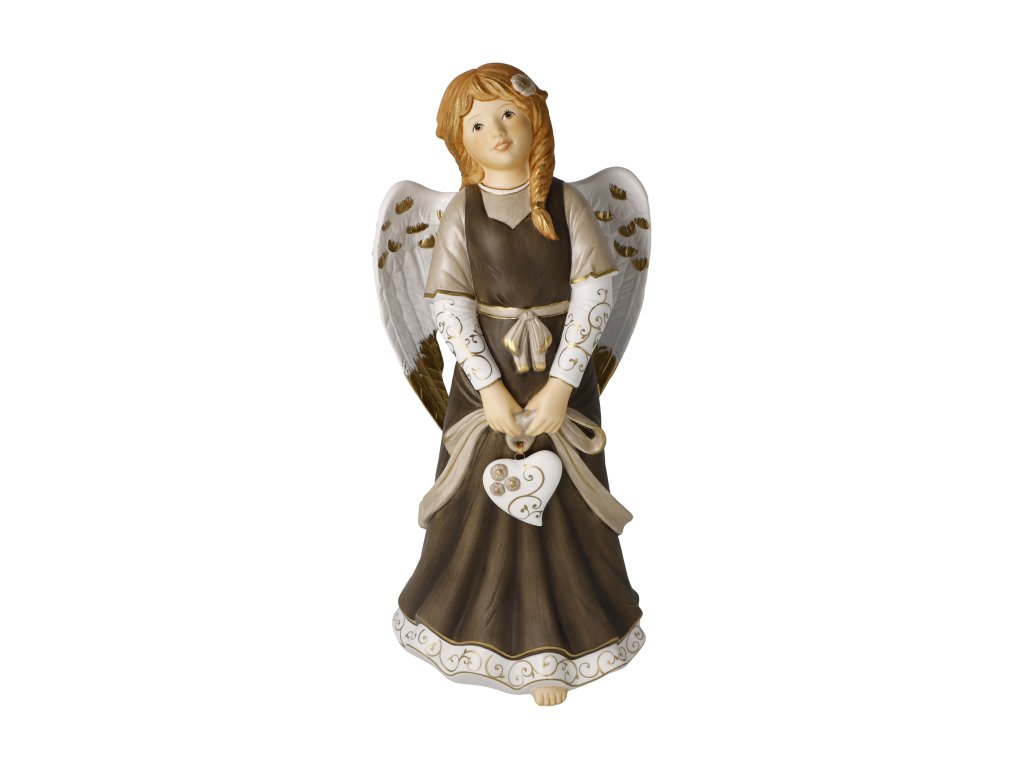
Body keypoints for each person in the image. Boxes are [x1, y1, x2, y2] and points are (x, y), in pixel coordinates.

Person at [390, 63, 645, 707]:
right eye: (477, 123)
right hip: (489, 382)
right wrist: (489, 388)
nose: (497, 131)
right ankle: (468, 626)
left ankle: (559, 643)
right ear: (459, 139)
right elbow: (450, 305)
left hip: (560, 374)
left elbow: (596, 292)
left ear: (536, 121)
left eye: (508, 114)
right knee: (477, 498)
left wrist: (561, 386)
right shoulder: (460, 212)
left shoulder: (569, 203)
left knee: (565, 510)